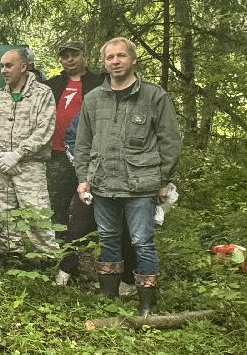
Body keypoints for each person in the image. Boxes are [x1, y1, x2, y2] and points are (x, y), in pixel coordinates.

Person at [73, 37, 182, 315]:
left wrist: (163, 180)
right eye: (110, 57)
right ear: (104, 63)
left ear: (133, 59)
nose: (116, 61)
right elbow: (83, 143)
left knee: (142, 242)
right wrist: (83, 177)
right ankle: (109, 300)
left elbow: (170, 141)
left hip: (141, 185)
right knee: (108, 240)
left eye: (121, 56)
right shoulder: (94, 99)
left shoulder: (154, 96)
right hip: (103, 184)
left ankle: (148, 305)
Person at [0, 47, 56, 257]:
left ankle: (46, 258)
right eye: (1, 66)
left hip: (29, 165)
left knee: (36, 213)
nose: (4, 70)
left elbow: (44, 131)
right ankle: (11, 255)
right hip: (1, 165)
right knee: (6, 213)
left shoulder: (42, 94)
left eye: (8, 65)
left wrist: (18, 154)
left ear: (23, 66)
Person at [55, 111, 135, 293]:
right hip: (92, 182)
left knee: (126, 231)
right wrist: (85, 173)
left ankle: (125, 281)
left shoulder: (142, 106)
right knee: (78, 226)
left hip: (127, 184)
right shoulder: (94, 103)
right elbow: (73, 138)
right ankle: (64, 272)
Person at [43, 41, 89, 237]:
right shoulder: (53, 84)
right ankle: (61, 253)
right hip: (57, 155)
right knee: (56, 207)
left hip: (86, 156)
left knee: (87, 207)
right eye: (65, 56)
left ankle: (83, 247)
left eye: (74, 54)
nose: (69, 59)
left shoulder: (99, 82)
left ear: (84, 56)